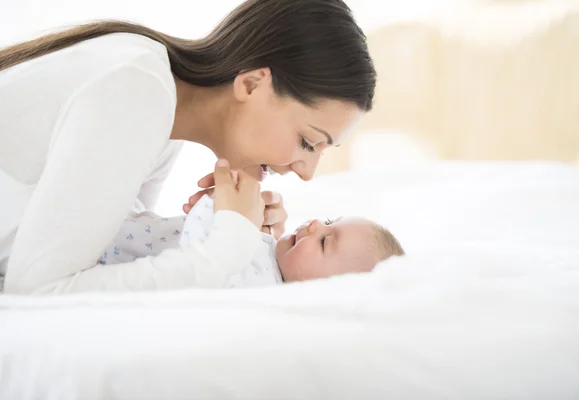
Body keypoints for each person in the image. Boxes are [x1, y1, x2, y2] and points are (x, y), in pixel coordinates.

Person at [0, 0, 376, 294]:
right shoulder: (136, 92)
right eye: (308, 142)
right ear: (251, 85)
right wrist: (229, 246)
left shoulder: (162, 110)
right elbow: (40, 290)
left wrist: (243, 246)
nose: (306, 173)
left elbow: (105, 248)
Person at [98, 173, 404, 290]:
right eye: (326, 221)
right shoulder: (269, 251)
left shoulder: (260, 285)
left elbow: (199, 267)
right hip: (120, 225)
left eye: (325, 242)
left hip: (103, 256)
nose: (314, 225)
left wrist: (220, 208)